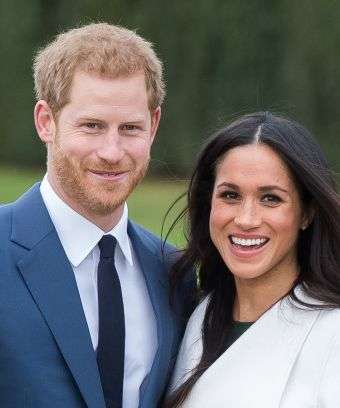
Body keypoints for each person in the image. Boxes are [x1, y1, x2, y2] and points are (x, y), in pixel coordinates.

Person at [0, 23, 193, 408]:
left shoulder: (175, 273)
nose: (112, 151)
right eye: (92, 126)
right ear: (46, 121)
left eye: (130, 128)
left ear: (153, 125)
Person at [165, 112, 340, 407]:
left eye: (270, 198)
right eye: (230, 195)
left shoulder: (332, 333)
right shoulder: (197, 316)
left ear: (307, 212)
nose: (246, 219)